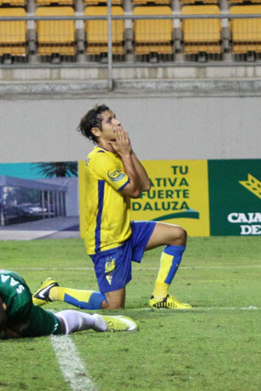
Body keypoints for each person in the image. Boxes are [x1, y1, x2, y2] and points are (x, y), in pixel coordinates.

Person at [74, 104, 192, 310]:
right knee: (113, 306)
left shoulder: (117, 154)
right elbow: (133, 191)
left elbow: (145, 185)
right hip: (107, 240)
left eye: (116, 118)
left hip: (126, 231)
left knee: (177, 234)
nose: (118, 122)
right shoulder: (99, 159)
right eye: (110, 120)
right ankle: (54, 291)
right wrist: (126, 155)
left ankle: (160, 297)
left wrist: (128, 151)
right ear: (96, 132)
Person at [0, 267, 137, 340]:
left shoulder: (19, 298)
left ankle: (95, 321)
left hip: (15, 308)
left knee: (58, 326)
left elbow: (15, 333)